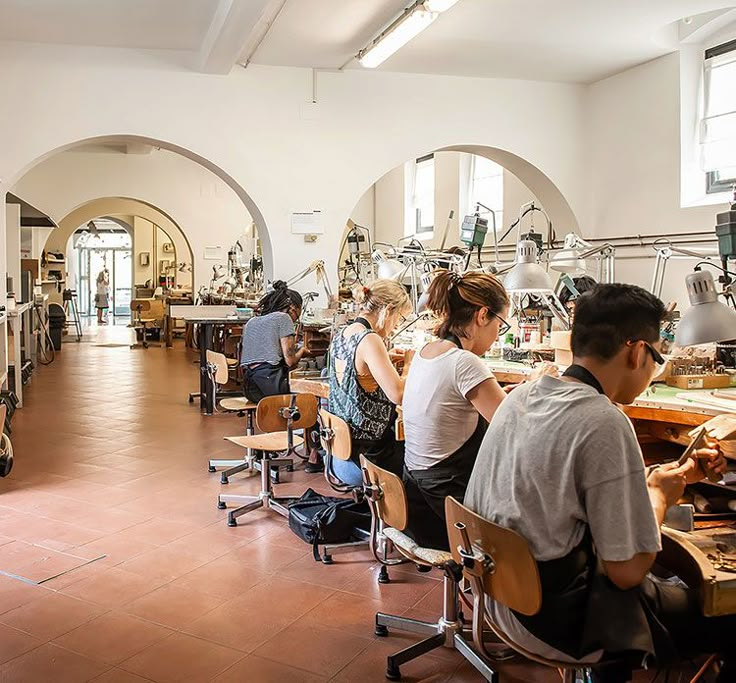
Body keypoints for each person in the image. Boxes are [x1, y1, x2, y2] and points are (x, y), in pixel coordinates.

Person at [465, 284, 734, 682]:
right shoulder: (603, 419)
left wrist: (665, 479)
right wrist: (658, 497)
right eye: (656, 359)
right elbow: (627, 571)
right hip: (557, 619)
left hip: (498, 597)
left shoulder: (523, 396)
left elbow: (565, 484)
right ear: (638, 351)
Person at [401, 270, 555, 550]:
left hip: (417, 498)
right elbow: (515, 428)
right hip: (448, 506)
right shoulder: (464, 363)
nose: (498, 336)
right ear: (483, 315)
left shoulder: (427, 352)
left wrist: (510, 393)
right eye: (500, 324)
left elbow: (476, 405)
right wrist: (538, 384)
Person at [328, 280, 413, 486]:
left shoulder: (343, 334)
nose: (395, 328)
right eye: (399, 320)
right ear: (388, 310)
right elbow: (399, 394)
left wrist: (386, 359)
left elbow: (355, 369)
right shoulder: (370, 339)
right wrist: (410, 363)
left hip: (341, 451)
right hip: (368, 456)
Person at [240, 280, 321, 472]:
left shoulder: (253, 321)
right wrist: (303, 351)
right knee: (313, 401)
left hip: (250, 386)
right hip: (270, 384)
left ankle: (269, 447)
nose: (294, 321)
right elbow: (291, 360)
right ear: (292, 308)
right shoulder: (283, 319)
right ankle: (314, 456)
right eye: (296, 316)